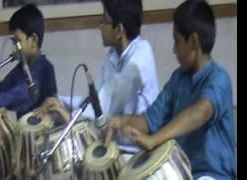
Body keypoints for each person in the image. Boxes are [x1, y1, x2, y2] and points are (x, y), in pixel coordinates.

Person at [106, 0, 236, 179]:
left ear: (194, 41)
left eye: (177, 40)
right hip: (179, 170)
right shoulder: (178, 79)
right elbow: (150, 120)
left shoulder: (219, 79)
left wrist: (153, 140)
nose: (174, 49)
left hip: (212, 175)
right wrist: (122, 120)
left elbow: (200, 112)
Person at [59, 0, 159, 155]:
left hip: (138, 154)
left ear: (119, 30)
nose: (100, 26)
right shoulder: (112, 56)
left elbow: (108, 103)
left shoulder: (141, 55)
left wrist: (70, 118)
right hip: (115, 149)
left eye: (104, 20)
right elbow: (96, 102)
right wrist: (61, 102)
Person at [0, 4, 62, 123]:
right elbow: (1, 89)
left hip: (44, 136)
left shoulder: (44, 68)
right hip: (26, 137)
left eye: (17, 42)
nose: (13, 49)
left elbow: (24, 94)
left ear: (33, 40)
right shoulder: (18, 71)